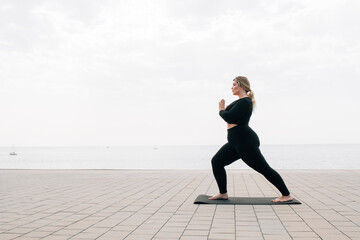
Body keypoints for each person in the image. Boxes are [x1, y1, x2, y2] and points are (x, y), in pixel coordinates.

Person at [209, 76, 293, 202]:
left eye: (234, 84)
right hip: (235, 142)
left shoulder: (245, 102)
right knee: (217, 162)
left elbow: (229, 117)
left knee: (264, 169)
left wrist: (221, 110)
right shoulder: (239, 101)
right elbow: (229, 115)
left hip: (245, 143)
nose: (231, 87)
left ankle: (286, 195)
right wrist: (224, 111)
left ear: (241, 86)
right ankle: (223, 193)